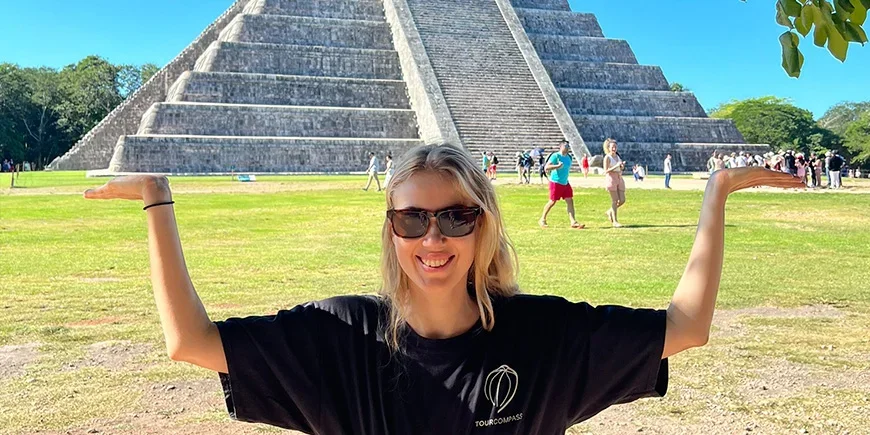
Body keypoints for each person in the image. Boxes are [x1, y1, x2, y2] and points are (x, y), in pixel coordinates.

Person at [82, 144, 804, 434]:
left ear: (484, 225)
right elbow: (190, 343)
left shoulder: (542, 335)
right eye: (413, 218)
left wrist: (715, 194)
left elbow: (687, 324)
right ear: (391, 229)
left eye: (457, 215)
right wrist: (158, 200)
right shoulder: (338, 334)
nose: (434, 237)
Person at [539, 140, 584, 229]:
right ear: (561, 146)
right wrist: (557, 166)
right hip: (555, 182)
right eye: (565, 146)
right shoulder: (556, 156)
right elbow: (547, 167)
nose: (567, 148)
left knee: (570, 201)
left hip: (565, 183)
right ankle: (542, 219)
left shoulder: (569, 157)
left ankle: (573, 221)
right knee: (552, 201)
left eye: (568, 146)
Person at [603, 139, 627, 227]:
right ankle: (615, 221)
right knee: (615, 200)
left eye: (615, 147)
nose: (614, 148)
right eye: (612, 147)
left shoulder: (617, 156)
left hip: (619, 177)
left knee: (622, 200)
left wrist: (621, 166)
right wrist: (616, 166)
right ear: (608, 148)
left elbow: (620, 168)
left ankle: (610, 211)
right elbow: (605, 171)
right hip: (611, 178)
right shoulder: (607, 157)